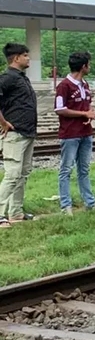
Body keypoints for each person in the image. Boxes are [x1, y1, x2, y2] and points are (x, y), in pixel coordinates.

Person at [55, 51, 95, 216]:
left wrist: (91, 112)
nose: (90, 67)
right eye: (89, 64)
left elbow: (86, 106)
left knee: (84, 169)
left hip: (86, 132)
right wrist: (84, 114)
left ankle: (90, 202)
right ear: (84, 66)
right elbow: (60, 109)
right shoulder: (64, 86)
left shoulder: (85, 85)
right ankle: (65, 205)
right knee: (66, 169)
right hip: (70, 134)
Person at [0, 43, 37, 228]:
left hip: (27, 133)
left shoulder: (22, 78)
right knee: (12, 174)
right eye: (25, 55)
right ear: (16, 58)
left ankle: (15, 212)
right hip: (15, 134)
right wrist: (3, 122)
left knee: (22, 174)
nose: (28, 58)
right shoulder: (8, 78)